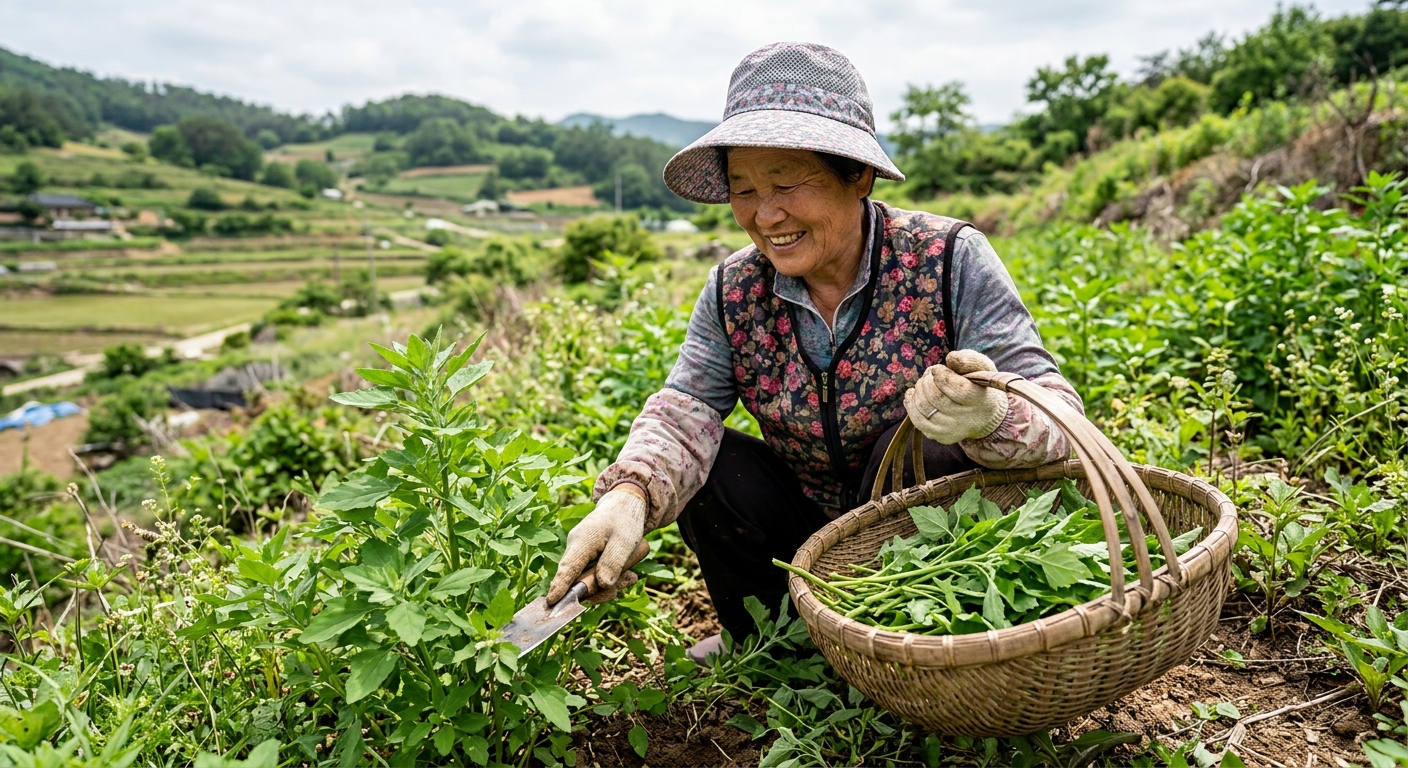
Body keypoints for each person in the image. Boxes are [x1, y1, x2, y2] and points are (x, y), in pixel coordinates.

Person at [547, 42, 1083, 664]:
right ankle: (774, 639)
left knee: (922, 437)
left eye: (785, 182)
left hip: (928, 562)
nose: (764, 214)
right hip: (800, 534)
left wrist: (989, 417)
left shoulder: (947, 259)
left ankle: (928, 649)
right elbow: (684, 407)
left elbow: (1060, 418)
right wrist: (629, 496)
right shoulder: (735, 289)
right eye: (743, 188)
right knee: (714, 468)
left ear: (855, 176)